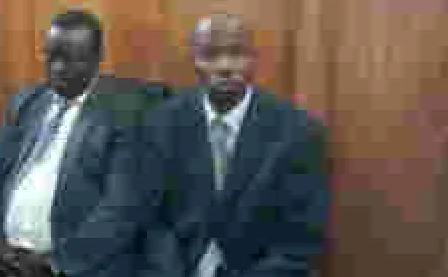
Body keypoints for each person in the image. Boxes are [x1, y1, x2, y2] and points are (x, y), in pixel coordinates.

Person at [0, 9, 157, 277]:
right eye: (51, 57)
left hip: (67, 265)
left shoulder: (124, 117)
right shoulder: (26, 103)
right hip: (4, 257)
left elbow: (120, 210)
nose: (56, 68)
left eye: (69, 60)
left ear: (96, 60)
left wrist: (53, 264)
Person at [139, 14, 329, 277]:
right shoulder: (160, 124)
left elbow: (301, 236)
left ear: (254, 59)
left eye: (237, 54)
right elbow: (151, 220)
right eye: (210, 55)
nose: (225, 67)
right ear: (194, 60)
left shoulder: (297, 131)